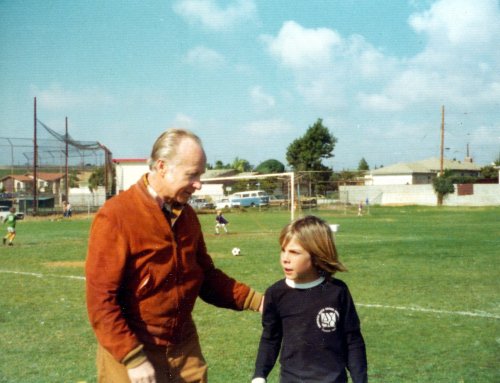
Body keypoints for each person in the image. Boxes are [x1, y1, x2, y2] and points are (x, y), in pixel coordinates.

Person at [86, 128, 263, 383]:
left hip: (183, 348)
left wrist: (257, 301)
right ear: (162, 167)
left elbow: (205, 276)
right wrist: (132, 357)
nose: (199, 184)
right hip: (131, 351)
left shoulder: (187, 216)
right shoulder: (116, 216)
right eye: (192, 175)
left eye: (200, 175)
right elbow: (101, 300)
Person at [252, 215, 368, 383]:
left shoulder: (337, 292)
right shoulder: (276, 293)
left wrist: (360, 379)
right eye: (283, 250)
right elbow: (270, 338)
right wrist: (259, 375)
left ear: (316, 255)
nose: (285, 258)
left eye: (294, 252)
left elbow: (353, 340)